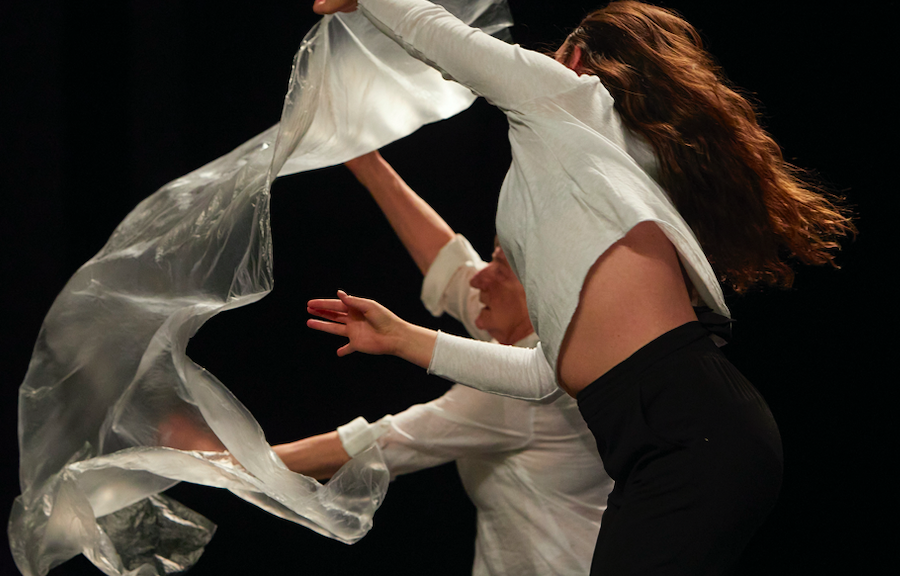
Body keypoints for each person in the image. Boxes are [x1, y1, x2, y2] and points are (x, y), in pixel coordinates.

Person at [307, 1, 856, 574]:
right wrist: (402, 338)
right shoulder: (602, 168)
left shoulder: (568, 96)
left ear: (575, 58)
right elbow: (543, 375)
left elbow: (437, 35)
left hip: (690, 433)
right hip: (676, 438)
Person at [273, 151, 612, 575]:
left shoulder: (528, 389)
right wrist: (366, 162)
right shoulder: (534, 333)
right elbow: (450, 267)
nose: (478, 277)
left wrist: (228, 461)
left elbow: (376, 445)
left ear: (541, 292)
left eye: (499, 267)